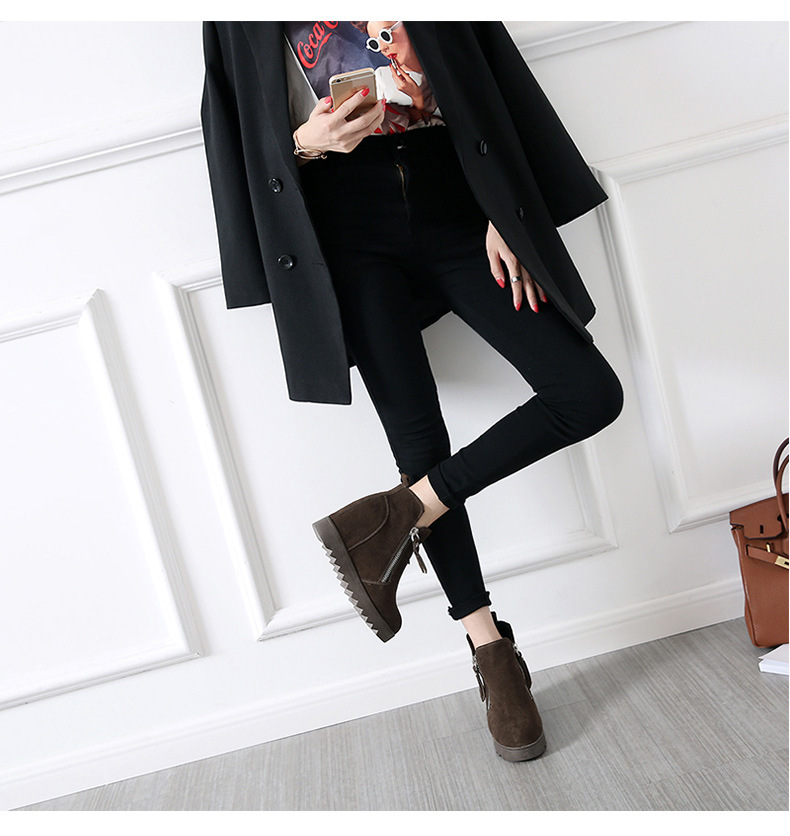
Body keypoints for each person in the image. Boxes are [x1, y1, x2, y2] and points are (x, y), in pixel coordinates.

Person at [201, 21, 624, 763]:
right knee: (419, 441)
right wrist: (304, 143)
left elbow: (484, 68)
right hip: (343, 225)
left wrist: (505, 208)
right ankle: (490, 649)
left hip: (458, 200)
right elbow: (231, 126)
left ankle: (399, 513)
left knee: (587, 390)